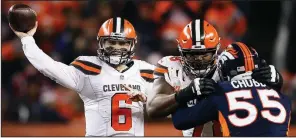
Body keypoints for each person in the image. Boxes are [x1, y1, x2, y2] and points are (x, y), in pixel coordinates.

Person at [10, 17, 154, 136]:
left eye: (122, 43)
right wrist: (27, 40)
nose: (116, 47)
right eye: (111, 42)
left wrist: (148, 101)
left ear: (132, 45)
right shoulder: (88, 67)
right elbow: (49, 66)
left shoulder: (146, 70)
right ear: (101, 43)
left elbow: (167, 107)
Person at [147, 19, 284, 136]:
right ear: (181, 51)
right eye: (192, 54)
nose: (199, 60)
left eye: (205, 54)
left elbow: (258, 96)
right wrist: (185, 93)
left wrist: (275, 81)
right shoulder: (171, 66)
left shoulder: (228, 64)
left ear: (216, 50)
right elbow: (153, 108)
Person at [171, 42, 291, 136]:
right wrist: (277, 84)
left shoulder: (221, 92)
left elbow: (180, 121)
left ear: (224, 69)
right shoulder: (283, 97)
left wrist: (185, 93)